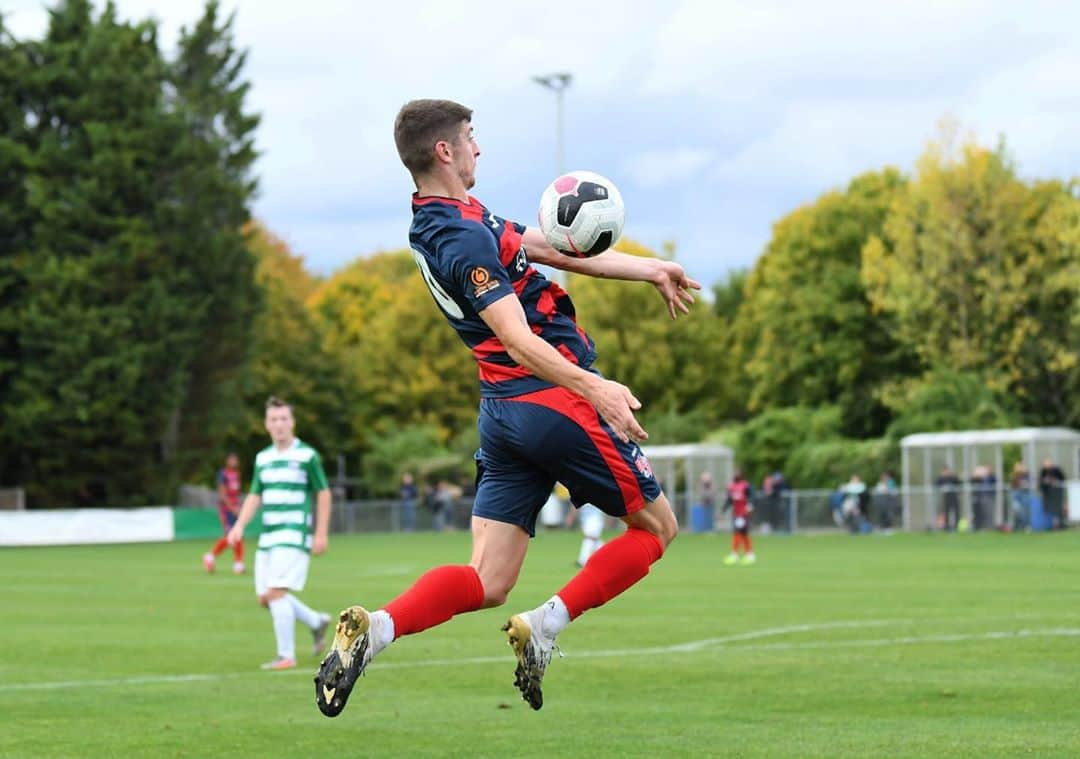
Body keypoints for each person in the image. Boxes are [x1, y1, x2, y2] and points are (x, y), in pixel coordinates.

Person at [313, 99, 699, 717]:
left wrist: (648, 268)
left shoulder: (446, 215)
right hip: (554, 402)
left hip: (503, 413)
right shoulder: (460, 238)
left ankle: (376, 630)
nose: (478, 148)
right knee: (658, 530)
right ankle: (547, 625)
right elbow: (520, 340)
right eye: (470, 137)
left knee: (488, 581)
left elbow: (548, 246)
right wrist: (595, 389)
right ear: (444, 151)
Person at [226, 396, 333, 671]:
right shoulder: (263, 458)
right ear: (266, 424)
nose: (279, 424)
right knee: (266, 598)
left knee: (275, 593)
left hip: (294, 534)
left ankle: (286, 656)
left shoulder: (307, 455)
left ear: (292, 422)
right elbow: (254, 495)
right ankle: (315, 621)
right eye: (274, 419)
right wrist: (238, 526)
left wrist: (320, 533)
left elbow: (323, 493)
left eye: (284, 418)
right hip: (269, 536)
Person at [203, 452, 245, 574]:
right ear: (227, 461)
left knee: (238, 534)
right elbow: (222, 494)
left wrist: (239, 507)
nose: (234, 462)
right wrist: (232, 508)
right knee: (230, 535)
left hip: (236, 508)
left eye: (235, 459)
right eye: (231, 459)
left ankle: (238, 563)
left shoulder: (237, 474)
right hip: (226, 510)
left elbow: (236, 494)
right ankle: (211, 557)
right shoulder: (223, 474)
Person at [722, 469, 755, 565]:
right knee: (744, 533)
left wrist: (750, 506)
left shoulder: (745, 486)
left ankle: (735, 554)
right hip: (736, 514)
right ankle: (750, 554)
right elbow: (729, 500)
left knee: (737, 531)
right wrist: (723, 510)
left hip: (744, 514)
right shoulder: (732, 487)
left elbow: (752, 497)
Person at [565, 501, 607, 568]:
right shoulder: (582, 494)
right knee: (594, 540)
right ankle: (609, 556)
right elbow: (575, 507)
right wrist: (571, 517)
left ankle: (582, 560)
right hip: (585, 520)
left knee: (590, 538)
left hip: (595, 519)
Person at [1039, 457, 1066, 529]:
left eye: (1047, 463)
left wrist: (1055, 481)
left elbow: (1063, 479)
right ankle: (1053, 524)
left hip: (1057, 493)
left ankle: (1059, 524)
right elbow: (1041, 482)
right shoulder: (1043, 471)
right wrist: (1045, 482)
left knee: (1058, 509)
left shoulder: (1056, 470)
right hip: (1048, 494)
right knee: (1050, 510)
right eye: (1045, 463)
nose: (1046, 465)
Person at [935, 466, 961, 532]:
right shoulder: (941, 478)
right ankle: (946, 527)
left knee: (956, 512)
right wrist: (942, 477)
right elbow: (936, 484)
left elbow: (959, 483)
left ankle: (956, 526)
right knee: (946, 513)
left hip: (954, 497)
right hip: (946, 498)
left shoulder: (952, 478)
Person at [1009, 462, 1031, 532]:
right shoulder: (1014, 475)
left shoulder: (1026, 475)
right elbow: (1012, 485)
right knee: (1016, 509)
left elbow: (1029, 483)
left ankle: (1026, 526)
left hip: (1024, 493)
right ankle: (1018, 525)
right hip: (1015, 493)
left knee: (1025, 511)